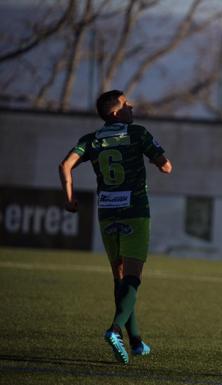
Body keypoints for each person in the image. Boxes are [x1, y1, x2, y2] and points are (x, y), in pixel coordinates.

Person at [59, 90, 172, 364]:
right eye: (126, 104)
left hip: (107, 212)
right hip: (134, 211)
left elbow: (65, 165)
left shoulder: (91, 140)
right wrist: (159, 160)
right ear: (115, 112)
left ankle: (136, 342)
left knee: (119, 278)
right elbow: (166, 167)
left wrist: (70, 198)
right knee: (133, 277)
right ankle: (114, 329)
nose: (131, 106)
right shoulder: (138, 134)